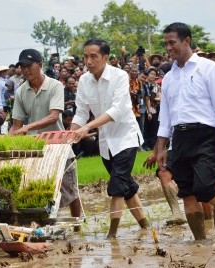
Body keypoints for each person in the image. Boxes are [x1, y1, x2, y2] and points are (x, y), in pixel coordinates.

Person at [68, 39, 149, 239]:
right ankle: (145, 227)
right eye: (86, 56)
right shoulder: (85, 81)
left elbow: (118, 110)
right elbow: (80, 113)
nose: (89, 61)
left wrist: (88, 126)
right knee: (127, 188)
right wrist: (71, 134)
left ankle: (111, 236)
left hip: (125, 138)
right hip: (105, 142)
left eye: (94, 56)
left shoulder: (120, 76)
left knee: (117, 187)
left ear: (105, 57)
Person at [155, 22, 215, 240]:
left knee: (204, 186)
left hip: (206, 135)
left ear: (186, 41)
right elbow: (165, 118)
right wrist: (160, 147)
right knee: (186, 192)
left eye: (173, 43)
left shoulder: (208, 68)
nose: (168, 48)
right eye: (166, 43)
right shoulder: (169, 78)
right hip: (179, 138)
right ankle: (200, 243)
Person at [9, 48, 82, 226]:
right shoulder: (20, 92)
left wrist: (28, 127)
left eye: (28, 66)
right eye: (22, 67)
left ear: (40, 65)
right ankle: (41, 224)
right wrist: (7, 142)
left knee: (70, 189)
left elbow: (53, 116)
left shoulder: (55, 86)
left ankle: (77, 225)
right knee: (37, 188)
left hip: (59, 146)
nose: (25, 70)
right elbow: (16, 124)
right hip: (36, 149)